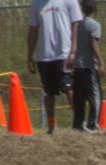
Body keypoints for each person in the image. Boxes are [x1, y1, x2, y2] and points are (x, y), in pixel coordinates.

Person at [27, 0, 82, 135]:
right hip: (44, 57)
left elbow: (76, 25)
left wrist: (73, 51)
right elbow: (33, 29)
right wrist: (29, 55)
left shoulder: (69, 1)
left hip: (64, 54)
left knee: (68, 87)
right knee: (48, 92)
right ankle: (52, 126)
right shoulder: (36, 4)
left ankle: (79, 123)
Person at [72, 0, 105, 133]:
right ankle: (92, 124)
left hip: (77, 66)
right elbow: (94, 45)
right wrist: (101, 63)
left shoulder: (77, 24)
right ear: (95, 9)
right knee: (95, 96)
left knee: (79, 97)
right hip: (89, 66)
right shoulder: (95, 25)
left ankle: (78, 124)